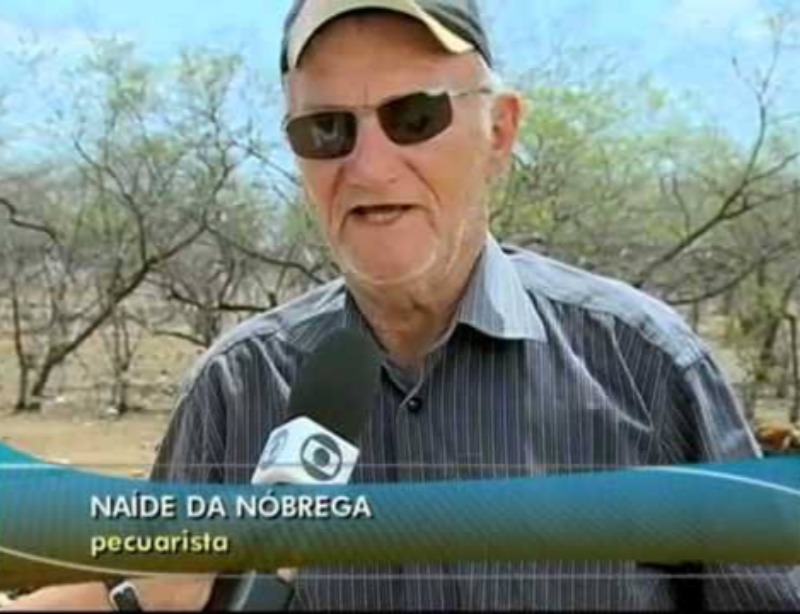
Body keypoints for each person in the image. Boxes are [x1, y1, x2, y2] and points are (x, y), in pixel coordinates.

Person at [6, 0, 800, 610]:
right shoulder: (235, 389)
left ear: (499, 131)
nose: (370, 167)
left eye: (414, 117)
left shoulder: (646, 368)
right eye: (326, 129)